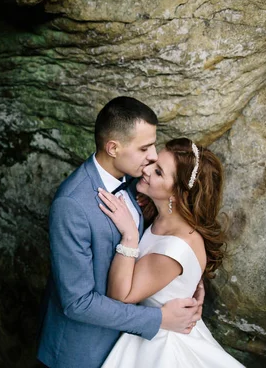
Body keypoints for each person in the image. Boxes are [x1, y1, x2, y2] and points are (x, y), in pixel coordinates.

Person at [37, 97, 203, 368]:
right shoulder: (72, 205)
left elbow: (169, 241)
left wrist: (190, 287)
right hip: (82, 352)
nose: (152, 156)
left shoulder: (140, 181)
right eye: (145, 147)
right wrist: (160, 319)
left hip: (129, 347)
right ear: (113, 148)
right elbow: (77, 303)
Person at [98, 138, 244, 367]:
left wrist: (130, 237)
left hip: (160, 346)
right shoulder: (163, 217)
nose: (145, 170)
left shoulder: (175, 247)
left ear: (178, 193)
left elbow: (119, 297)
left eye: (157, 172)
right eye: (153, 163)